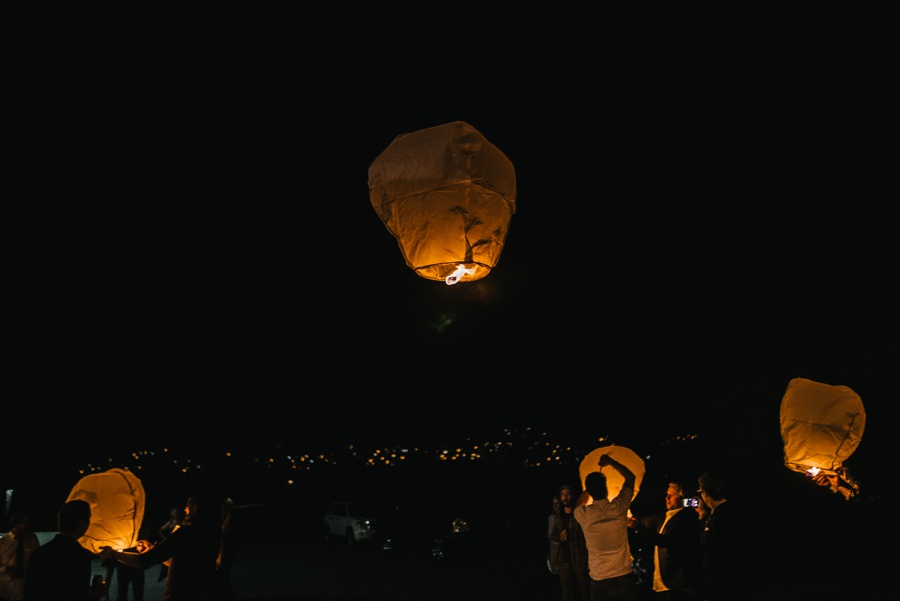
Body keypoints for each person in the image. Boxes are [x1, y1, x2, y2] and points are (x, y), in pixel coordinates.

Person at [100, 488, 224, 600]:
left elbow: (144, 561)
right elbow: (180, 564)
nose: (185, 509)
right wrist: (153, 549)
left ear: (199, 508)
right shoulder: (212, 534)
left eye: (189, 504)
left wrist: (114, 554)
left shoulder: (186, 533)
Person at [574, 453, 639, 601]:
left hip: (599, 580)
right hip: (624, 576)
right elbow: (630, 478)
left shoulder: (583, 514)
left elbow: (579, 503)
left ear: (590, 492)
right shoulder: (619, 507)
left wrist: (588, 489)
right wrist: (611, 462)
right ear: (606, 489)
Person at [627, 481, 702, 600]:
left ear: (682, 498)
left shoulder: (685, 518)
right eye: (667, 494)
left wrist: (637, 527)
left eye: (672, 495)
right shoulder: (665, 515)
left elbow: (665, 541)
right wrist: (630, 517)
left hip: (677, 584)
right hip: (663, 584)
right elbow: (647, 521)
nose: (667, 498)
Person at [22, 499, 108, 601]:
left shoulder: (39, 553)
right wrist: (97, 594)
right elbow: (78, 595)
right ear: (83, 523)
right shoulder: (78, 556)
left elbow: (29, 592)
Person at [696, 470, 750, 601]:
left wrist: (711, 592)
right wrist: (703, 515)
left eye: (701, 492)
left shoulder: (724, 516)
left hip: (721, 586)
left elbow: (720, 555)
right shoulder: (718, 513)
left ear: (705, 492)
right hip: (720, 583)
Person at [551, 485, 590, 600]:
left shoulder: (578, 514)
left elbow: (587, 536)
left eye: (567, 494)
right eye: (563, 494)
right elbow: (553, 535)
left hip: (579, 559)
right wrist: (559, 537)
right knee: (566, 593)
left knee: (584, 592)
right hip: (564, 562)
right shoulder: (558, 516)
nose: (565, 497)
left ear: (572, 496)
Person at [0, 511, 40, 601]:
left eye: (29, 523)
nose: (28, 525)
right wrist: (5, 569)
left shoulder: (31, 539)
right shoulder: (2, 543)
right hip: (6, 589)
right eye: (25, 523)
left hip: (25, 588)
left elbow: (37, 558)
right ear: (16, 523)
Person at [156, 505, 186, 583]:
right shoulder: (172, 522)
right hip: (170, 545)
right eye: (173, 512)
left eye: (176, 512)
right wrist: (165, 540)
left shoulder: (183, 522)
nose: (174, 513)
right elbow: (161, 530)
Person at [547, 495, 562, 575]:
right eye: (554, 504)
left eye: (557, 503)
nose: (555, 506)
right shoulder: (552, 517)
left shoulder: (564, 516)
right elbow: (551, 535)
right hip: (555, 547)